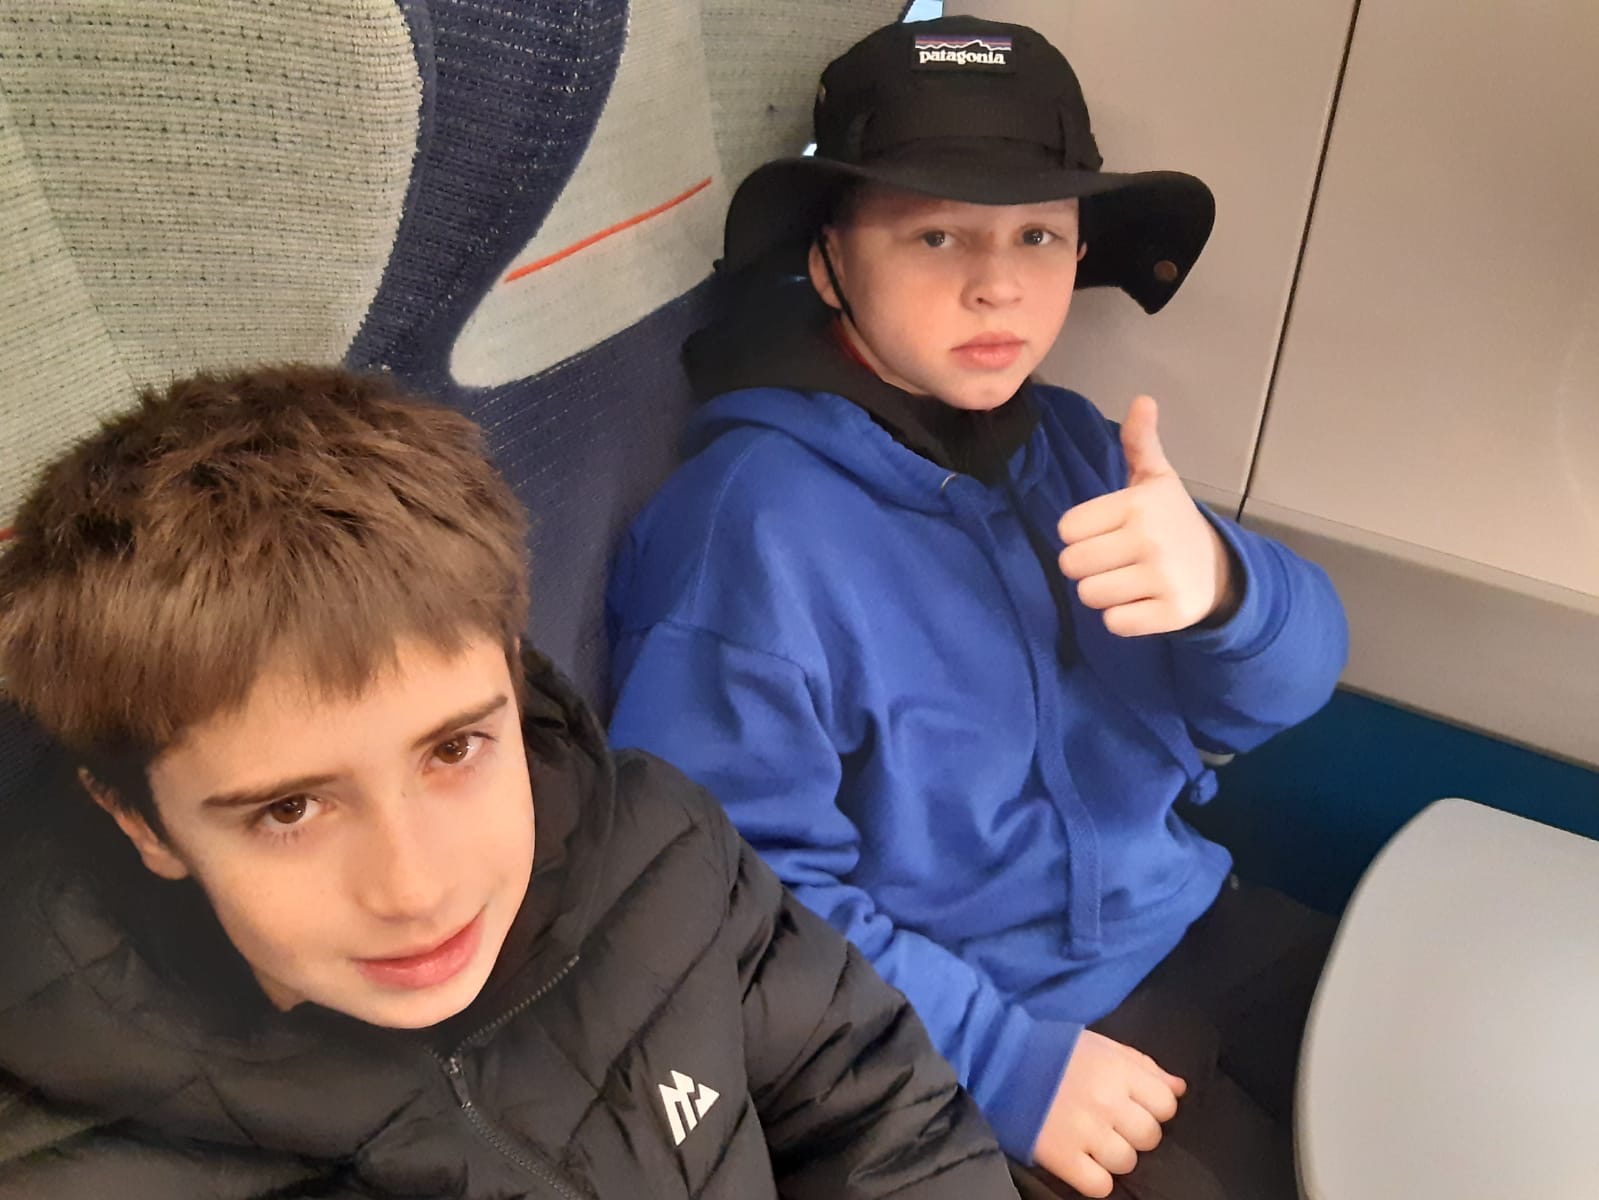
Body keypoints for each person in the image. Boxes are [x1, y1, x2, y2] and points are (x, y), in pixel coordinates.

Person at [606, 17, 1349, 1199]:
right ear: (828, 260)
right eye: (936, 232)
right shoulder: (750, 527)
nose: (998, 282)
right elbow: (727, 884)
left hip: (1185, 915)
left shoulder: (1075, 446)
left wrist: (1224, 585)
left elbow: (1281, 693)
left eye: (1037, 234)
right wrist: (1007, 1064)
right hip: (978, 1020)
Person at [0, 365, 1018, 1199]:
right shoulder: (69, 1157)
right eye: (290, 809)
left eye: (453, 750)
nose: (416, 889)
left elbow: (878, 1109)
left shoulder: (664, 853)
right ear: (140, 823)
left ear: (513, 678)